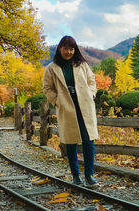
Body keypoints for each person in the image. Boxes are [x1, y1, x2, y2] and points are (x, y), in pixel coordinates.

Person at [43, 36, 99, 187]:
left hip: (84, 107)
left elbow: (92, 82)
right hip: (67, 108)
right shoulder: (51, 68)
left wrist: (91, 94)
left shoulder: (82, 65)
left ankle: (89, 175)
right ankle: (76, 176)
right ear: (60, 48)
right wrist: (57, 101)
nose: (68, 52)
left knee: (88, 141)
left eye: (71, 49)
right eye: (66, 48)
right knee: (70, 142)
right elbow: (47, 88)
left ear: (75, 50)